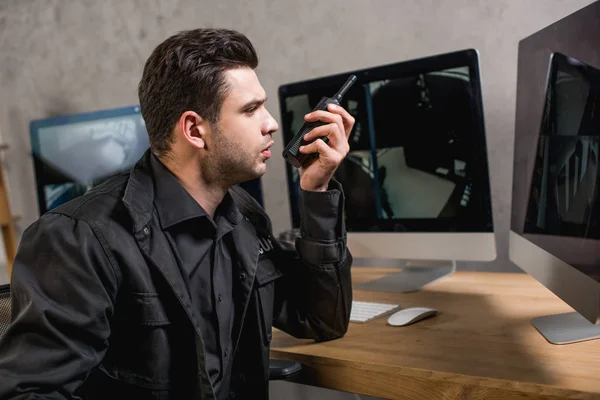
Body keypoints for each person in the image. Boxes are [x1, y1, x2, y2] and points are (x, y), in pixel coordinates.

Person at [0, 28, 354, 399]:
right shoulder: (78, 239)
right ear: (193, 130)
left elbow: (322, 318)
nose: (272, 124)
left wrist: (316, 191)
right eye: (250, 110)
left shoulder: (244, 217)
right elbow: (27, 393)